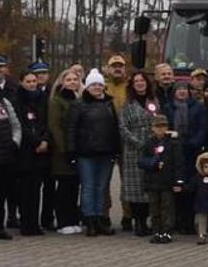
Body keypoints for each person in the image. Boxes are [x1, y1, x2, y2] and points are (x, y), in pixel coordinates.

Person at [68, 70, 121, 236]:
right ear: (88, 86)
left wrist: (117, 148)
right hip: (86, 153)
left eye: (100, 85)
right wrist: (71, 151)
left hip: (106, 152)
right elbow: (71, 129)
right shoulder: (78, 104)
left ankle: (99, 219)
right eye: (93, 85)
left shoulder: (109, 103)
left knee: (102, 188)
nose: (97, 88)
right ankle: (89, 220)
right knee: (88, 188)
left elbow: (115, 127)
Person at [11, 70, 53, 236]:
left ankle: (35, 223)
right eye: (28, 81)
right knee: (26, 190)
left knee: (36, 189)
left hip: (42, 150)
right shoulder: (17, 100)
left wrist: (45, 140)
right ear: (21, 82)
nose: (32, 84)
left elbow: (46, 122)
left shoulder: (43, 99)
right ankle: (26, 224)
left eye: (34, 81)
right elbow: (20, 125)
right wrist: (36, 141)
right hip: (26, 151)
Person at [118, 72, 159, 237]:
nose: (140, 83)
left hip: (152, 149)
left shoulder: (154, 102)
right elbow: (122, 128)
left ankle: (147, 220)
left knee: (148, 187)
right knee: (135, 189)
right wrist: (137, 142)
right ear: (132, 85)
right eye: (136, 81)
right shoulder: (128, 105)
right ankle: (138, 222)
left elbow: (160, 122)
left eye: (142, 80)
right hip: (133, 150)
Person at [166, 81, 208, 234]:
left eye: (184, 89)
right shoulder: (168, 107)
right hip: (174, 152)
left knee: (191, 187)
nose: (182, 92)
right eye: (179, 89)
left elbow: (203, 128)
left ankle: (189, 222)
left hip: (192, 151)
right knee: (176, 186)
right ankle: (176, 221)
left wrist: (194, 143)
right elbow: (166, 127)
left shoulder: (198, 107)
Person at [47, 68, 84, 235]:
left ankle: (73, 219)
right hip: (62, 152)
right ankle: (63, 221)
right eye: (69, 80)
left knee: (74, 187)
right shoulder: (56, 101)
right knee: (64, 187)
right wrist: (64, 149)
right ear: (62, 82)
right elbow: (55, 127)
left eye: (75, 80)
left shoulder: (80, 100)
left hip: (78, 149)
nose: (72, 83)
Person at [139, 115, 185, 244]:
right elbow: (141, 161)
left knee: (167, 207)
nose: (160, 129)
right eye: (157, 126)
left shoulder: (173, 143)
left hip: (167, 181)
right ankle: (156, 231)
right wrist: (153, 164)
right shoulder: (149, 143)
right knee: (154, 208)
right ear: (152, 128)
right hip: (152, 180)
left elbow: (179, 163)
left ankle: (167, 231)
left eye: (163, 126)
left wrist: (178, 181)